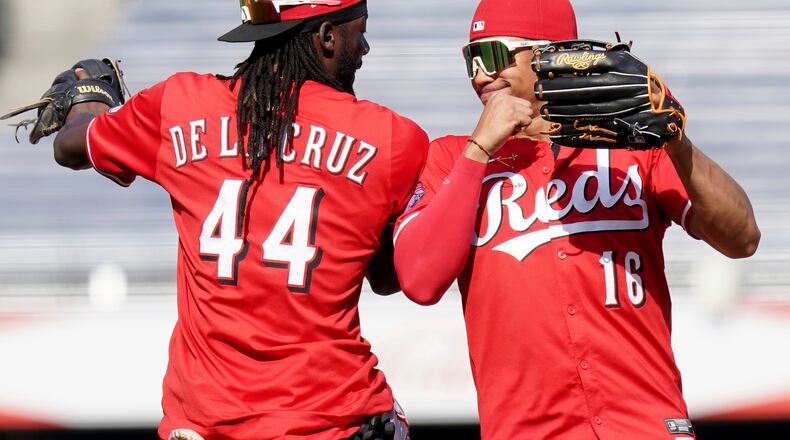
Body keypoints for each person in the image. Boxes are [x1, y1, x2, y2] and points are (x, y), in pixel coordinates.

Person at [45, 0, 428, 438]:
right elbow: (389, 277)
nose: (364, 46)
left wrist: (88, 102)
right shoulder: (392, 139)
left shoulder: (181, 104)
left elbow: (71, 147)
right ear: (325, 37)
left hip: (205, 423)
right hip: (330, 419)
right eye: (359, 31)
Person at [392, 0, 760, 438]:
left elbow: (742, 239)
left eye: (492, 55)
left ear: (549, 55)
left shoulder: (634, 143)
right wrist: (478, 150)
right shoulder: (450, 160)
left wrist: (678, 141)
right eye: (470, 59)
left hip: (645, 425)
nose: (478, 75)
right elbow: (419, 280)